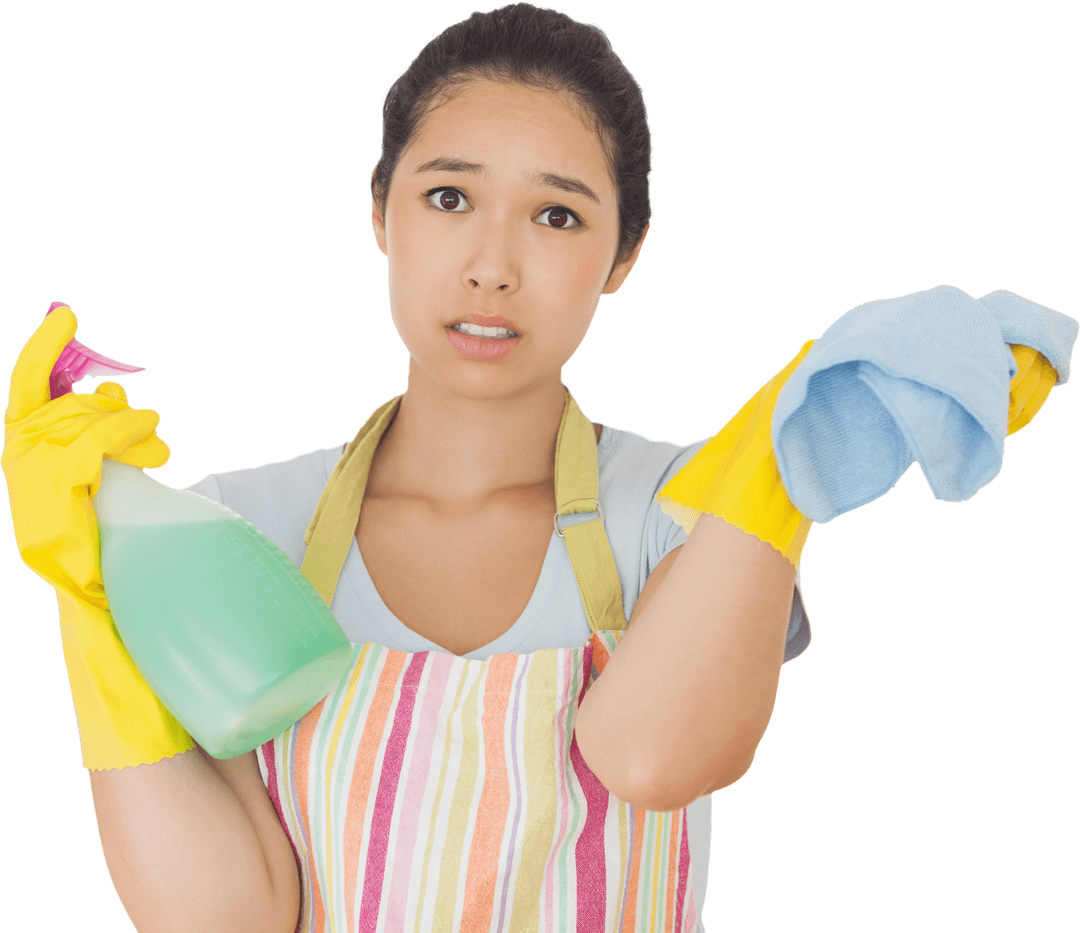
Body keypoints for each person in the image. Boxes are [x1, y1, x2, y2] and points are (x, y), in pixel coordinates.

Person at [4, 4, 1067, 932]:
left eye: (558, 215)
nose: (492, 267)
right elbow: (222, 917)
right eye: (449, 198)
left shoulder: (680, 509)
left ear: (624, 254)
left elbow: (655, 758)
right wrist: (92, 595)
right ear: (380, 210)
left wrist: (774, 465)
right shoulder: (237, 530)